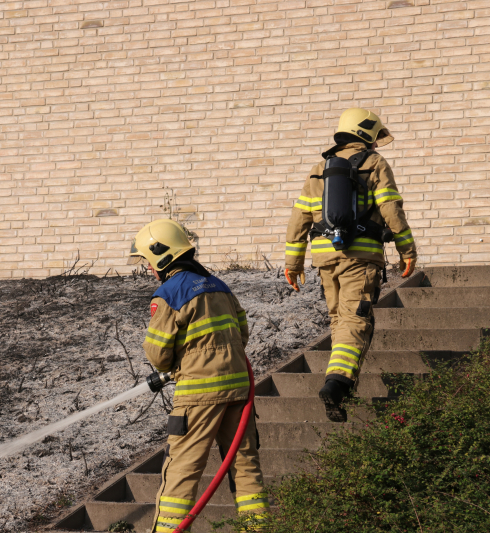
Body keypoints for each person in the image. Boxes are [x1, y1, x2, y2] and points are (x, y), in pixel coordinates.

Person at [129, 219, 268, 532]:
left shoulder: (169, 293)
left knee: (181, 474)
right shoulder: (219, 285)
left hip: (198, 397)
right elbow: (241, 333)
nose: (149, 269)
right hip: (238, 391)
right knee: (246, 470)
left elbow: (159, 356)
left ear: (161, 257)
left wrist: (187, 362)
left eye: (148, 263)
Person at [284, 108, 417, 422]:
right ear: (368, 136)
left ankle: (341, 381)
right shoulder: (375, 163)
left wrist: (294, 262)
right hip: (361, 257)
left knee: (338, 320)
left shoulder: (319, 169)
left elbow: (299, 218)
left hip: (325, 259)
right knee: (355, 321)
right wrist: (406, 249)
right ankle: (338, 383)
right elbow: (390, 208)